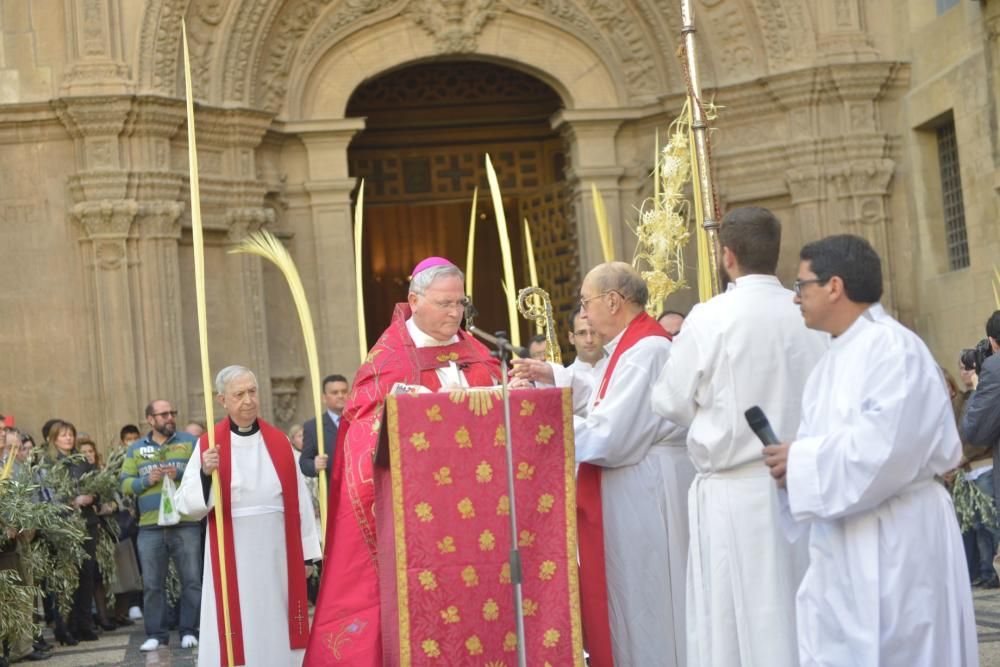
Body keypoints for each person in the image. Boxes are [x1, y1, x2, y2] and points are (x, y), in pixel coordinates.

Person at [763, 234, 977, 665]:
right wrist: (792, 464)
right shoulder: (833, 358)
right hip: (848, 536)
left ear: (834, 286)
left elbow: (886, 450)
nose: (795, 297)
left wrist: (802, 461)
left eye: (801, 285)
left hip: (898, 539)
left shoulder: (892, 349)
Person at [650, 206, 826, 667]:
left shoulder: (711, 317)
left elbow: (668, 400)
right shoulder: (806, 313)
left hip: (735, 489)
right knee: (800, 607)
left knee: (736, 623)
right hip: (805, 483)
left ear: (727, 256)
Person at [305, 257, 500, 667]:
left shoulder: (477, 352)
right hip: (415, 513)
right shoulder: (389, 360)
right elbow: (361, 438)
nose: (455, 313)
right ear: (414, 300)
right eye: (445, 303)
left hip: (474, 513)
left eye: (460, 303)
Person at [515, 262, 694, 666]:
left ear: (613, 301)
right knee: (632, 596)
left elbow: (611, 435)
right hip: (635, 487)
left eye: (586, 302)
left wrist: (540, 415)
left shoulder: (646, 350)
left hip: (646, 491)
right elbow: (602, 396)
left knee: (647, 599)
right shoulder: (631, 347)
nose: (584, 313)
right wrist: (553, 377)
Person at [177, 366, 321, 667]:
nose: (248, 400)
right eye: (239, 394)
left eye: (252, 391)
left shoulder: (280, 442)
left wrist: (306, 556)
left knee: (276, 619)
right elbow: (188, 505)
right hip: (233, 553)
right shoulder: (208, 445)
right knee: (236, 619)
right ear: (222, 401)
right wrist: (205, 472)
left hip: (277, 554)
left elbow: (300, 502)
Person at [119, 400, 202, 652]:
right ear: (150, 419)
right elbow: (124, 483)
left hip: (185, 523)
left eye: (172, 413)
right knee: (153, 583)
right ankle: (156, 634)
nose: (169, 417)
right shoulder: (136, 449)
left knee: (191, 580)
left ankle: (190, 630)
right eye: (163, 414)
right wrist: (146, 480)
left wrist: (181, 474)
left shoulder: (189, 442)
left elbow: (204, 473)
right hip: (150, 526)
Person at [46, 421, 100, 645]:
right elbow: (46, 494)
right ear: (54, 439)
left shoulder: (83, 461)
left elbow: (98, 487)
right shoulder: (48, 463)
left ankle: (84, 624)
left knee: (87, 575)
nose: (68, 439)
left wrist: (91, 497)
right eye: (63, 435)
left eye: (71, 435)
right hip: (63, 527)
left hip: (86, 523)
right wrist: (69, 502)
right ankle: (64, 626)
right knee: (66, 579)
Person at [298, 374, 348, 480]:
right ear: (324, 398)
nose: (340, 396)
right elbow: (304, 462)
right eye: (335, 392)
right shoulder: (313, 427)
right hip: (332, 490)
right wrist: (314, 465)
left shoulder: (360, 421)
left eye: (344, 391)